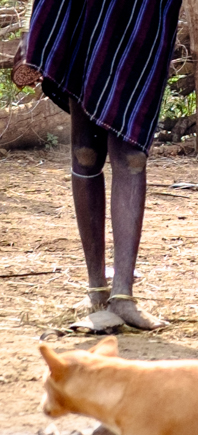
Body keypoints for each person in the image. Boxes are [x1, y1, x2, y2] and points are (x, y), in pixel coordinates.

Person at [15, 0, 181, 330]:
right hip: (83, 11)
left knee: (132, 156)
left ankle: (123, 296)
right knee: (85, 152)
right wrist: (35, 27)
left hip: (144, 14)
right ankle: (96, 291)